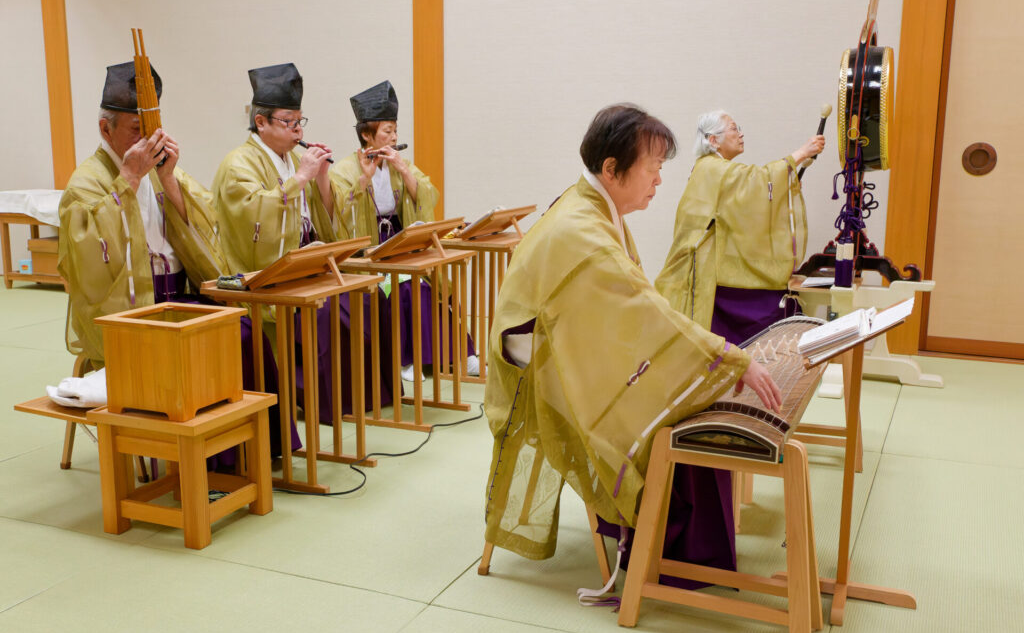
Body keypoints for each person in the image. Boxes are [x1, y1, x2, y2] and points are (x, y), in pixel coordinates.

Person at [482, 104, 781, 588]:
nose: (659, 180)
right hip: (545, 356)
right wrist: (728, 357)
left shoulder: (593, 206)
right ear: (611, 168)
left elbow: (635, 304)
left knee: (680, 379)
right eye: (653, 167)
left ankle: (666, 538)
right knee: (672, 399)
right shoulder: (583, 228)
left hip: (562, 337)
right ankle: (666, 544)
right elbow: (641, 307)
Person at [58, 61, 287, 466]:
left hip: (175, 297)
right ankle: (211, 465)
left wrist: (167, 178)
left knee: (242, 330)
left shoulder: (157, 169)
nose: (147, 140)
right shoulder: (87, 181)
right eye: (136, 130)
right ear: (105, 129)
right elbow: (88, 257)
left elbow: (204, 220)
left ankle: (258, 451)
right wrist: (128, 179)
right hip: (131, 311)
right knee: (211, 344)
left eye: (152, 129)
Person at [212, 63, 394, 419]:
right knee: (330, 313)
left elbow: (326, 217)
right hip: (266, 272)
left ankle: (360, 396)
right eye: (288, 122)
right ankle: (325, 401)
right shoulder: (238, 164)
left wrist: (321, 177)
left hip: (304, 264)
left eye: (300, 121)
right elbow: (253, 213)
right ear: (260, 122)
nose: (298, 130)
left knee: (362, 299)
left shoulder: (293, 158)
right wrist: (299, 178)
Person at [330, 80, 478, 379]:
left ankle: (461, 354)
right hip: (368, 249)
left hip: (400, 240)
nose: (395, 137)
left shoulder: (401, 163)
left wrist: (404, 171)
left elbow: (428, 195)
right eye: (387, 131)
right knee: (406, 286)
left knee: (429, 283)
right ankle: (406, 359)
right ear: (366, 134)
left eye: (395, 130)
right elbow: (339, 215)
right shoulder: (344, 169)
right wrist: (364, 179)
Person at [655, 110, 825, 345]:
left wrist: (783, 186)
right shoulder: (712, 168)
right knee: (768, 309)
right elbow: (759, 180)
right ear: (713, 140)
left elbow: (749, 205)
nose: (741, 134)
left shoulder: (714, 168)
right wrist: (802, 152)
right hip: (706, 270)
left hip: (713, 264)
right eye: (734, 129)